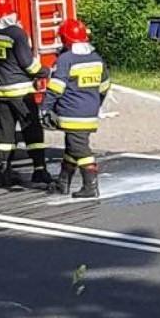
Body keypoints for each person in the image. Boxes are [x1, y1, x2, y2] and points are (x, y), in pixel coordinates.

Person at [0, 0, 50, 189]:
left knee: (6, 134)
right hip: (21, 92)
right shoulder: (16, 33)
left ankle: (5, 173)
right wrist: (45, 71)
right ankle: (39, 169)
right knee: (32, 129)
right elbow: (29, 65)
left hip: (0, 93)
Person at [46, 18, 110, 199]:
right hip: (89, 113)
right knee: (72, 147)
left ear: (65, 39)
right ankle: (63, 182)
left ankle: (90, 187)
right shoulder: (96, 59)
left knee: (80, 150)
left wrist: (45, 109)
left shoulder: (66, 59)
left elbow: (56, 88)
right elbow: (104, 87)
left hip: (72, 114)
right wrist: (93, 103)